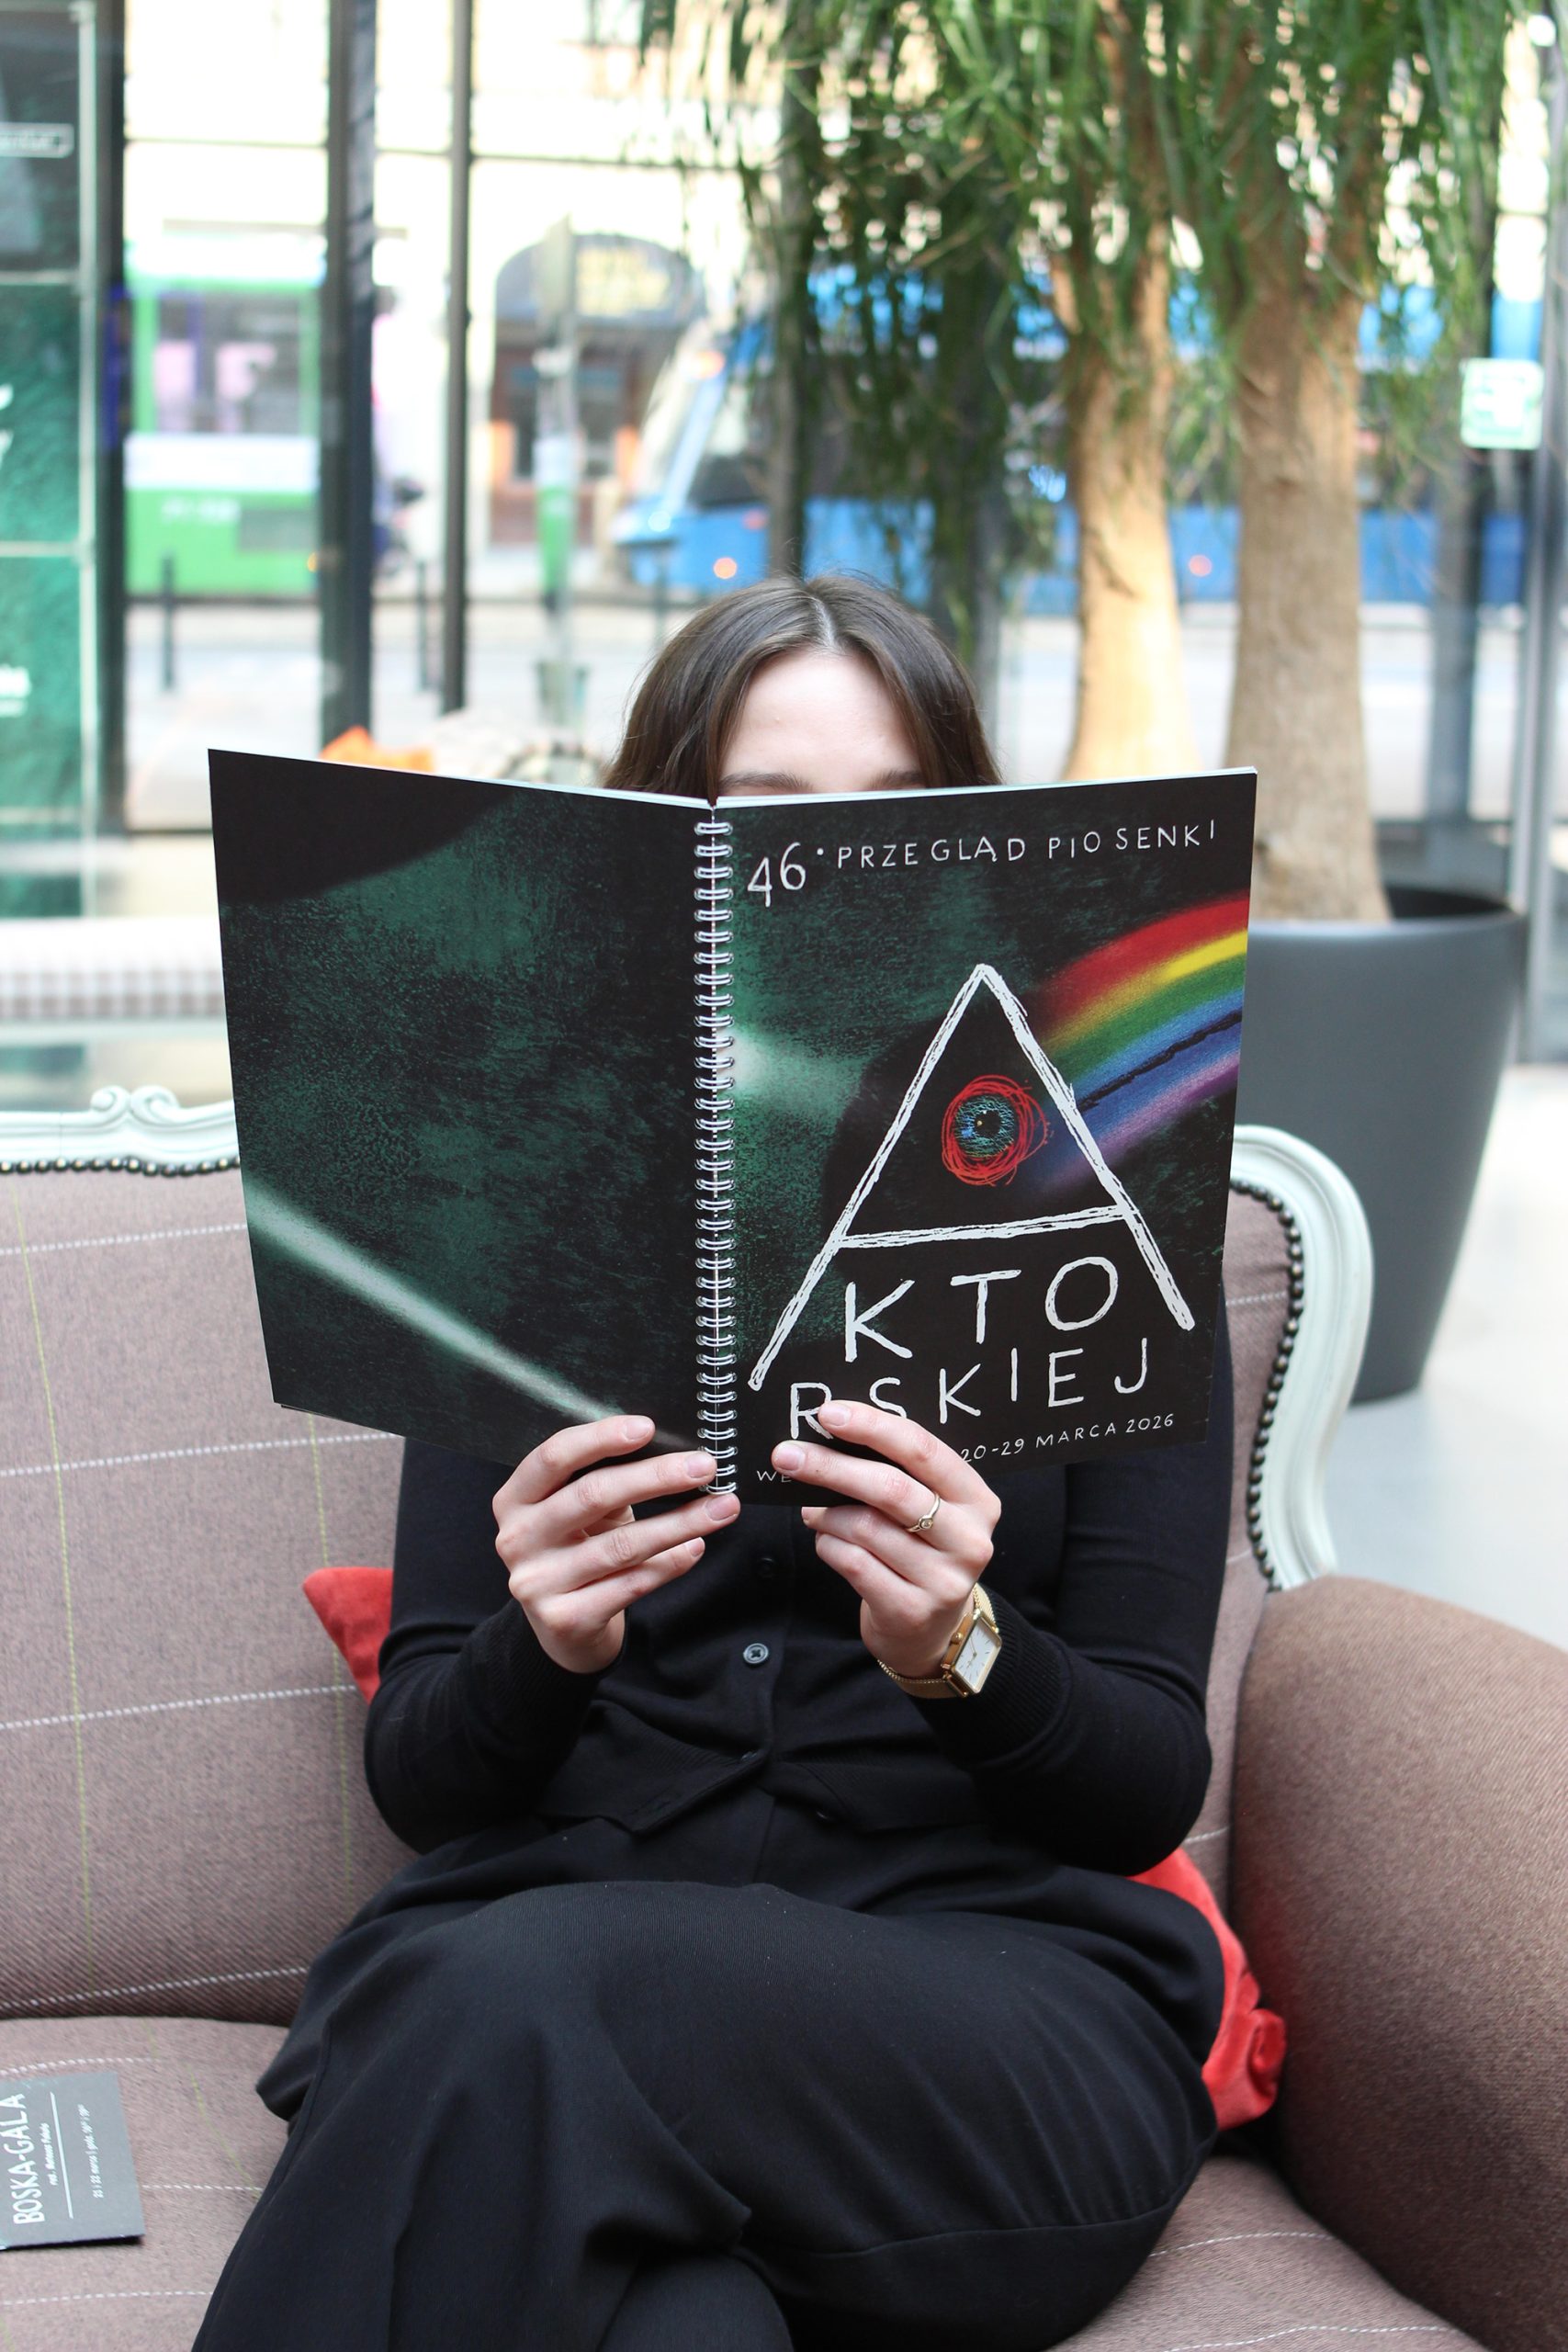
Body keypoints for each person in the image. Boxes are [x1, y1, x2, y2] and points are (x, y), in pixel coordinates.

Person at [194, 575, 1232, 2352]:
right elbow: (426, 1773)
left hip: (978, 2025)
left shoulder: (1107, 1221)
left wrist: (960, 1646)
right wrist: (548, 1641)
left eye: (889, 815)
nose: (826, 871)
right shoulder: (529, 1230)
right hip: (563, 1967)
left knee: (510, 1996)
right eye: (764, 816)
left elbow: (1143, 1785)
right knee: (680, 2324)